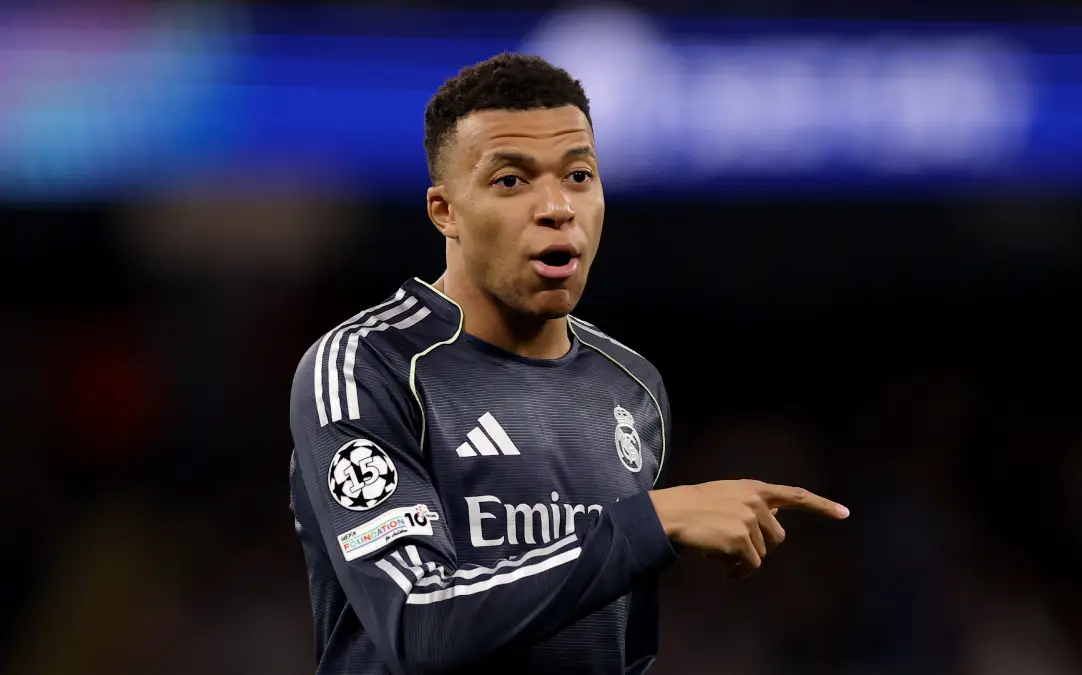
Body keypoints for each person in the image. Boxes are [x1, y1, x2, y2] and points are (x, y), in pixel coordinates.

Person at [288, 52, 849, 675]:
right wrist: (652, 521)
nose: (557, 206)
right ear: (445, 211)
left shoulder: (632, 387)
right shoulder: (370, 366)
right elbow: (420, 624)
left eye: (579, 175)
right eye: (511, 180)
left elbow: (621, 646)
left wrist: (642, 531)